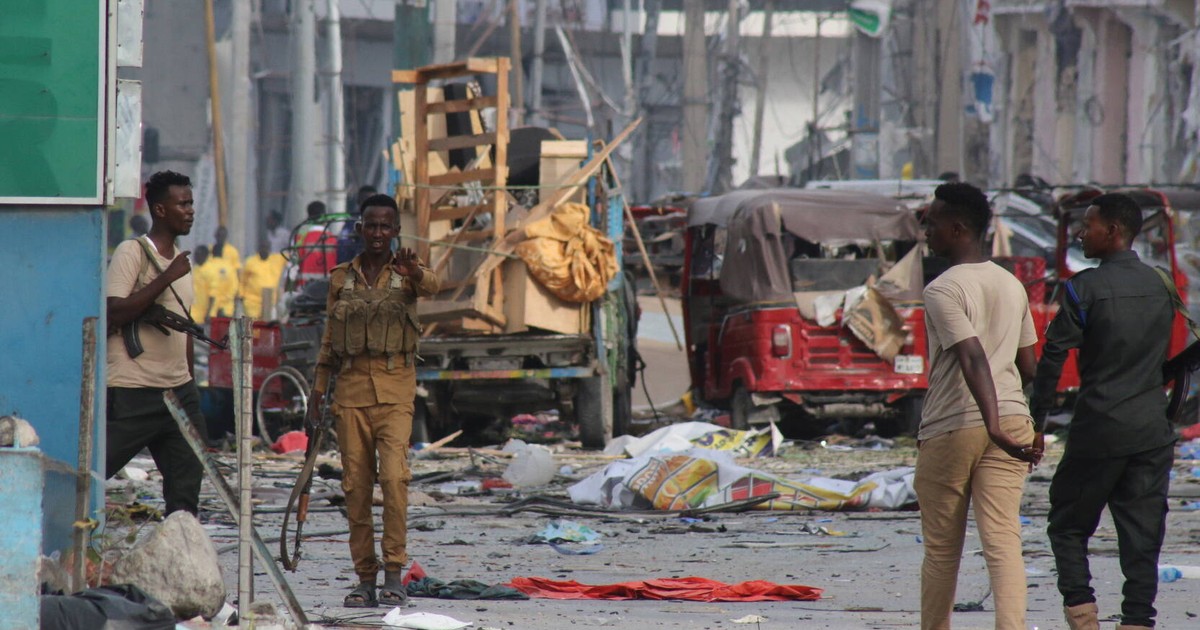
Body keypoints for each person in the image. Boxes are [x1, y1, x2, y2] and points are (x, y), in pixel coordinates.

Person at [1031, 193, 1176, 630]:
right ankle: (1136, 621)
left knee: (1068, 525)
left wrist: (1036, 423)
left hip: (1099, 430)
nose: (1080, 232)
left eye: (1088, 224)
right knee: (1143, 537)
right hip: (1154, 429)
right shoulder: (1162, 283)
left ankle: (1083, 615)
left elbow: (1053, 355)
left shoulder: (1084, 288)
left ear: (1112, 231)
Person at [915, 182, 1042, 630]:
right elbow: (1029, 366)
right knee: (1004, 541)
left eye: (931, 224)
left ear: (958, 228)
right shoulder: (1012, 285)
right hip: (1012, 420)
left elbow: (972, 356)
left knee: (942, 550)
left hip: (957, 425)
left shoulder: (942, 289)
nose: (925, 232)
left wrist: (992, 426)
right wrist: (1024, 423)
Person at [306, 193, 440, 608]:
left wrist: (414, 270)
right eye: (371, 225)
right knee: (356, 487)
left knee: (396, 480)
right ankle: (365, 578)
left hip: (396, 390)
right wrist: (317, 389)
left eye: (386, 226)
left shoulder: (407, 273)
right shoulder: (341, 278)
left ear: (396, 231)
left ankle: (394, 574)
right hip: (350, 393)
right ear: (360, 229)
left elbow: (435, 286)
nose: (378, 233)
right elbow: (329, 339)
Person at [105, 170, 208, 516]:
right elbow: (114, 312)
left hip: (178, 391)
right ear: (160, 210)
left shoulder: (182, 262)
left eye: (191, 203)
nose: (191, 210)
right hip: (133, 390)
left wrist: (190, 382)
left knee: (187, 486)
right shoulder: (132, 252)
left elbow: (186, 330)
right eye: (183, 204)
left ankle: (180, 557)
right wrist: (166, 277)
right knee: (94, 470)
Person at [240, 236, 287, 320]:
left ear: (270, 248)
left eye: (266, 248)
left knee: (267, 327)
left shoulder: (277, 259)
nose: (264, 250)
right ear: (258, 249)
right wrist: (241, 295)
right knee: (253, 328)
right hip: (252, 302)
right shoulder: (250, 262)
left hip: (270, 302)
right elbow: (242, 280)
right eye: (262, 247)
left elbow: (293, 255)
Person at [336, 185, 376, 264]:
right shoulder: (351, 222)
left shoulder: (383, 222)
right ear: (358, 201)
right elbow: (342, 246)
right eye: (365, 201)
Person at [190, 245, 212, 323]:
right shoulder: (193, 269)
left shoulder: (209, 271)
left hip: (203, 316)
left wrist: (208, 313)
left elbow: (212, 296)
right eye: (195, 255)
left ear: (205, 256)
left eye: (199, 255)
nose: (196, 257)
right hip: (192, 313)